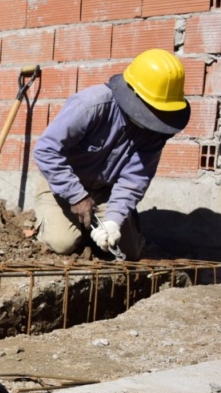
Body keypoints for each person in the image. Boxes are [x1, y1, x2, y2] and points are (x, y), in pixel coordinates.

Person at [32, 48, 191, 260]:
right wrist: (76, 195)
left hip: (105, 192)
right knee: (62, 243)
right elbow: (46, 149)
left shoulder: (156, 132)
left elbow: (135, 179)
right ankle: (60, 225)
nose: (154, 118)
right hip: (61, 188)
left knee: (128, 252)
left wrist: (114, 220)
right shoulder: (90, 105)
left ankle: (104, 227)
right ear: (133, 94)